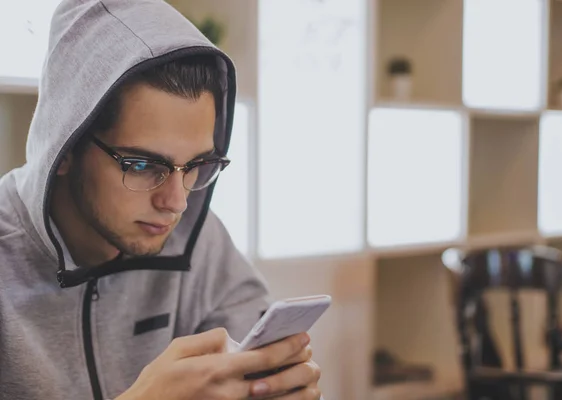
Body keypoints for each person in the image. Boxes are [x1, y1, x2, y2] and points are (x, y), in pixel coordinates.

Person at [0, 0, 322, 399]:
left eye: (196, 166)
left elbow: (251, 354)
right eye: (141, 165)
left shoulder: (198, 241)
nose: (176, 203)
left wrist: (273, 385)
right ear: (64, 147)